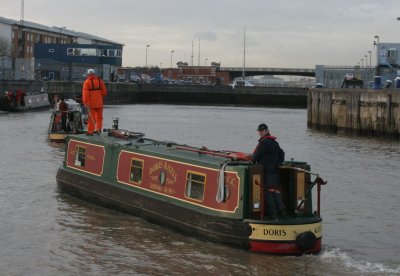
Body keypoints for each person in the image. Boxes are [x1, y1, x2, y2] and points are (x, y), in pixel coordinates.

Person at [252, 123, 286, 219]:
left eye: (261, 131)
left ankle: (273, 214)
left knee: (268, 193)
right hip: (275, 172)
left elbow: (255, 157)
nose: (260, 133)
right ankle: (282, 210)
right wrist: (278, 164)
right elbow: (282, 154)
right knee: (276, 191)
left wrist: (254, 161)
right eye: (259, 131)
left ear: (266, 131)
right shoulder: (274, 142)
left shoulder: (264, 142)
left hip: (267, 172)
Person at [82, 69, 107, 135]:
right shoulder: (100, 80)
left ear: (88, 74)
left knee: (91, 118)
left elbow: (85, 93)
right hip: (99, 102)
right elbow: (104, 92)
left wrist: (85, 102)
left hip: (91, 103)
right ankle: (98, 130)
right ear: (94, 73)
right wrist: (98, 95)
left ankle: (90, 131)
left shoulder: (87, 82)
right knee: (99, 117)